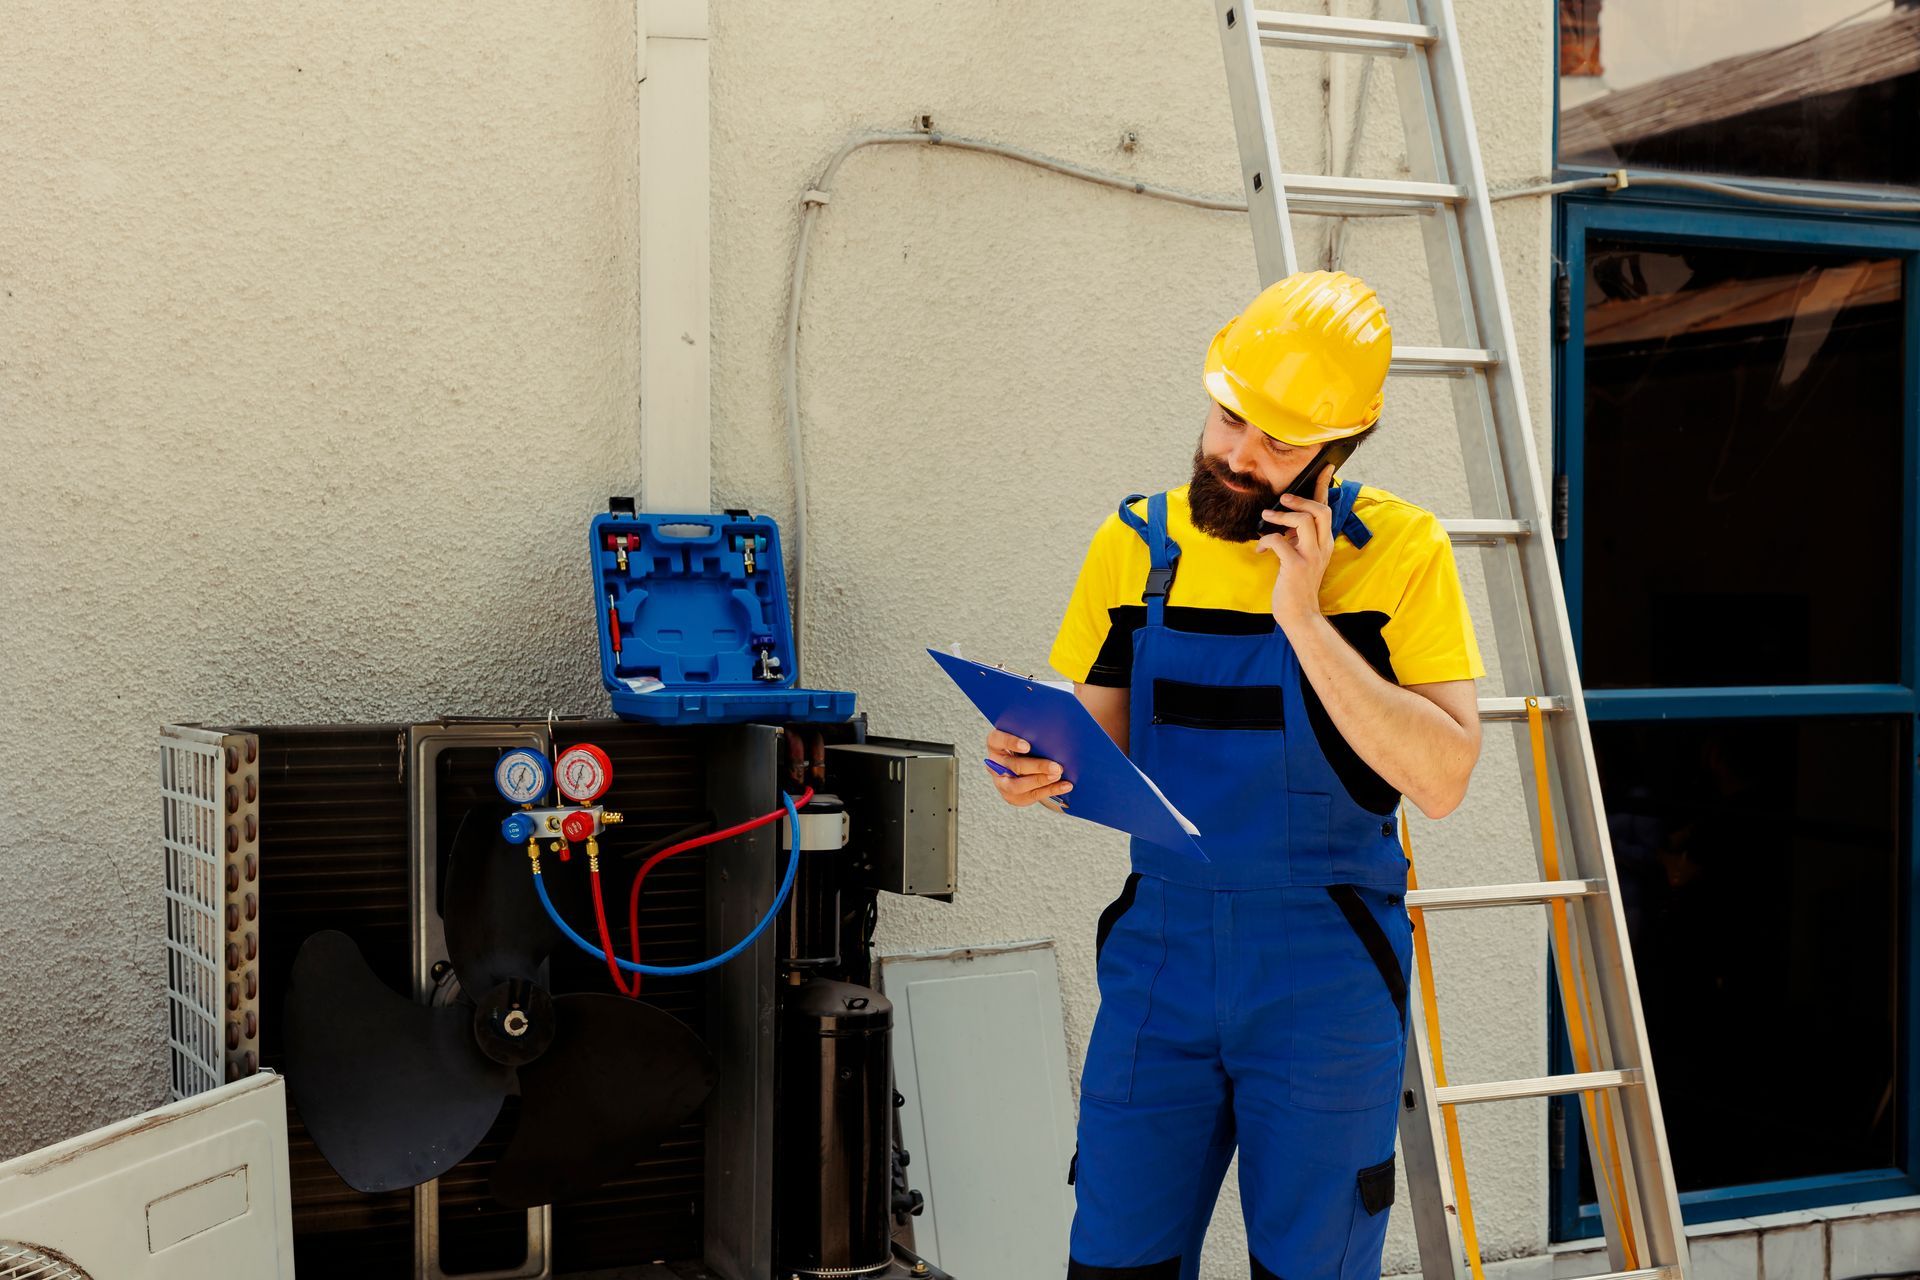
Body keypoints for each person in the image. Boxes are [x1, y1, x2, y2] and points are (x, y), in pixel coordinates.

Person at [986, 270, 1485, 1279]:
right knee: (1114, 1259)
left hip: (1324, 964)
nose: (1240, 455)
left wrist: (1303, 615)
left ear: (1337, 451)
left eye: (1279, 442)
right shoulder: (1137, 543)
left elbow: (1442, 776)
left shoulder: (1400, 556)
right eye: (1229, 418)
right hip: (1160, 957)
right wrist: (1034, 765)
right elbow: (1095, 740)